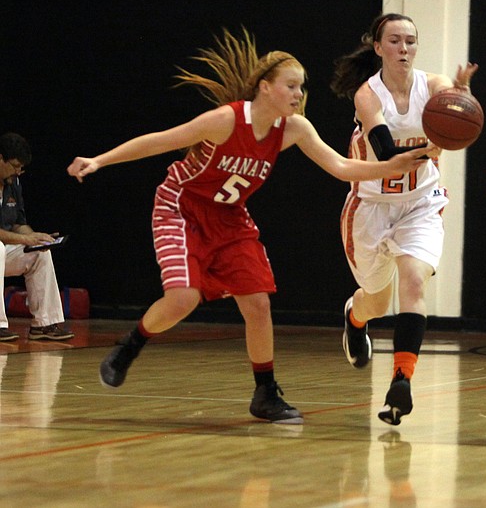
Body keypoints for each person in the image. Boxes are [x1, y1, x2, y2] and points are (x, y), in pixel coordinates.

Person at [67, 28, 435, 424]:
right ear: (265, 88)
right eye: (291, 86)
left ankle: (265, 393)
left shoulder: (294, 128)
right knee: (184, 299)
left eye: (301, 86)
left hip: (229, 216)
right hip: (182, 208)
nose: (299, 94)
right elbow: (160, 140)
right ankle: (130, 346)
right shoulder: (226, 120)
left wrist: (391, 166)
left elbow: (341, 167)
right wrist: (100, 160)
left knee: (258, 302)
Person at [330, 12, 478, 425]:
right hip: (371, 207)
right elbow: (385, 152)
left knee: (413, 282)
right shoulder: (368, 95)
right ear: (378, 48)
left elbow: (458, 113)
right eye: (394, 41)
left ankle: (401, 383)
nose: (404, 49)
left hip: (420, 202)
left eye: (411, 42)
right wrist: (423, 148)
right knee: (376, 301)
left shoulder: (433, 87)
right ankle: (355, 318)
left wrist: (462, 97)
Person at [0, 132, 75, 342]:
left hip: (3, 252)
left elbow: (18, 223)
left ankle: (44, 324)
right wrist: (25, 240)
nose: (18, 172)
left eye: (21, 168)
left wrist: (35, 237)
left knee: (40, 253)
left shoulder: (13, 185)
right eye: (14, 165)